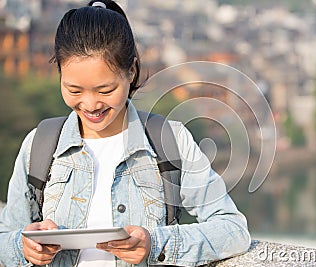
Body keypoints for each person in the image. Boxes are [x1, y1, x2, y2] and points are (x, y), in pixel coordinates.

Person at [0, 0, 251, 266]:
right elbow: (5, 237)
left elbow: (233, 230)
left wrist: (155, 243)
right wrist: (24, 247)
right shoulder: (39, 145)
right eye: (74, 90)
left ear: (131, 71)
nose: (90, 104)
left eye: (105, 91)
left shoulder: (169, 141)